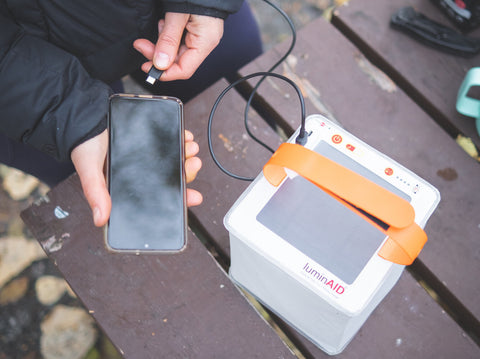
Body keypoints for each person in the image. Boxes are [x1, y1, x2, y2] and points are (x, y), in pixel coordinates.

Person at [0, 0, 263, 226]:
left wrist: (207, 5)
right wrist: (67, 112)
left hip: (167, 13)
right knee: (90, 182)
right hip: (21, 84)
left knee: (242, 85)